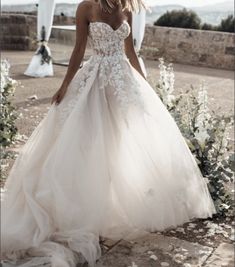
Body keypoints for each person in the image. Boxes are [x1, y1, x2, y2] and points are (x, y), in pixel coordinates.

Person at [1, 0, 216, 266]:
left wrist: (147, 88)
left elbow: (131, 52)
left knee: (121, 143)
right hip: (94, 80)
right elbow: (79, 49)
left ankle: (111, 205)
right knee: (89, 142)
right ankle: (83, 206)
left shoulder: (127, 8)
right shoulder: (87, 7)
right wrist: (65, 85)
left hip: (123, 82)